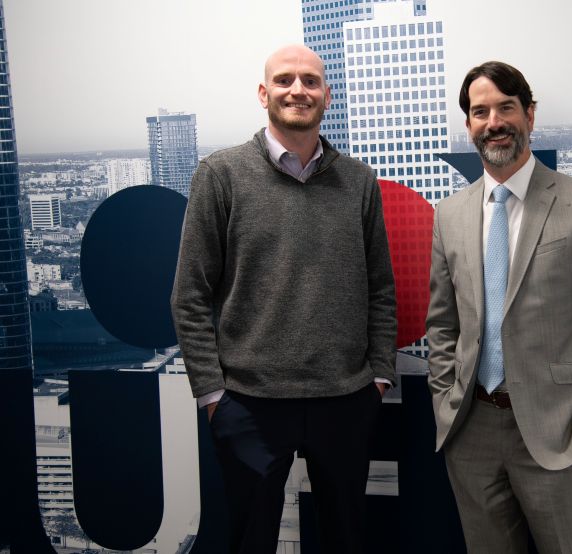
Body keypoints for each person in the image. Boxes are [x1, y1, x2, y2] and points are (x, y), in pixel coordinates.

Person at [171, 44, 397, 554]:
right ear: (263, 93)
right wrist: (213, 396)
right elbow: (190, 295)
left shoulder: (358, 180)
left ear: (327, 96)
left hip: (345, 399)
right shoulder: (221, 174)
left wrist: (379, 376)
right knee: (249, 543)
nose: (299, 90)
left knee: (346, 540)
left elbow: (380, 287)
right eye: (285, 80)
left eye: (311, 81)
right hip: (249, 404)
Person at [426, 61, 572, 554]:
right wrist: (445, 403)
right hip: (471, 431)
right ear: (468, 124)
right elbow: (442, 324)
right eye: (481, 112)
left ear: (530, 114)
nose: (494, 122)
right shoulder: (449, 214)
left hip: (559, 434)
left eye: (506, 108)